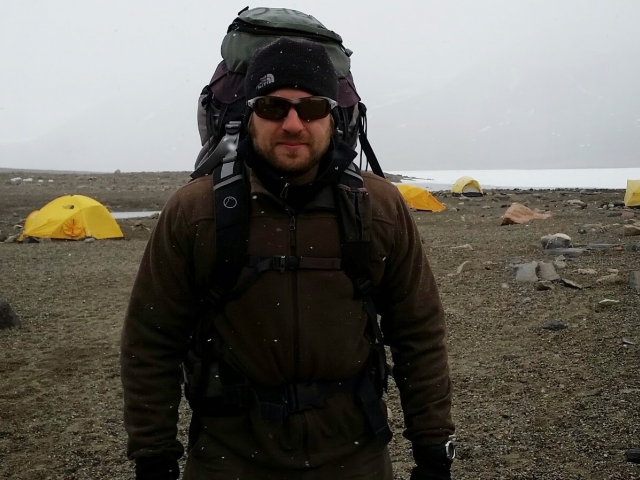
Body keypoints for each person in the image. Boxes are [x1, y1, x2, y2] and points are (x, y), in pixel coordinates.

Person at [121, 37, 455, 480]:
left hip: (355, 457)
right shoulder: (194, 211)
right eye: (274, 107)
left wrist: (433, 448)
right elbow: (151, 340)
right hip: (229, 458)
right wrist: (153, 455)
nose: (293, 124)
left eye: (312, 107)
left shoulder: (380, 207)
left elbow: (418, 332)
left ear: (333, 117)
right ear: (249, 114)